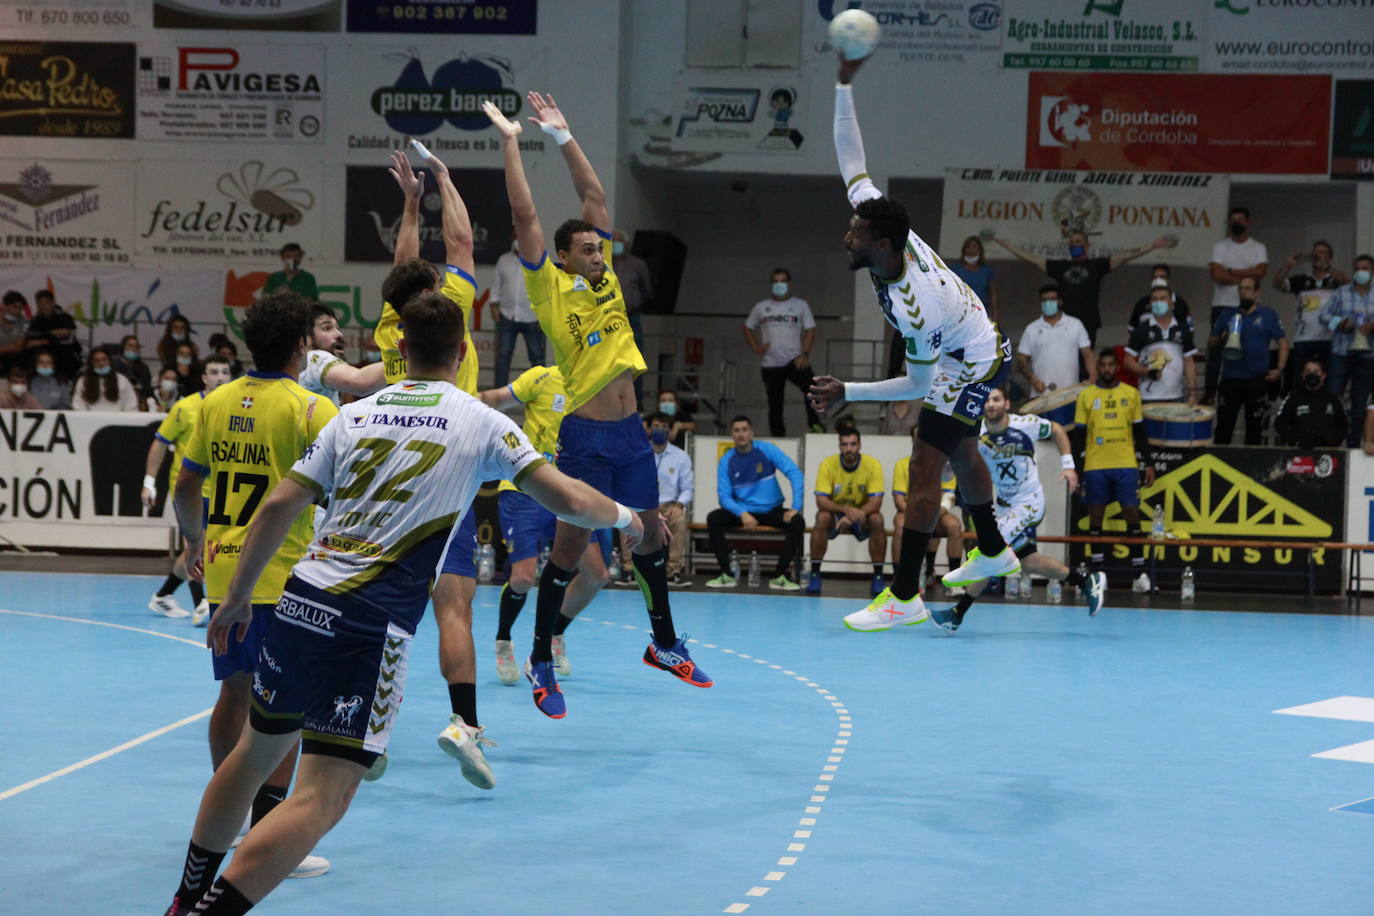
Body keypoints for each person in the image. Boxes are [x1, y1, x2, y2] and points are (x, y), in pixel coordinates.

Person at [161, 293, 644, 916]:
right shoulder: (479, 420)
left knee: (256, 751)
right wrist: (628, 517)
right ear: (464, 351)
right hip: (368, 621)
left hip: (300, 597)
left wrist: (231, 602)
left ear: (401, 352)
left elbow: (280, 505)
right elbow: (572, 504)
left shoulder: (354, 414)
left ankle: (185, 896)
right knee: (322, 798)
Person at [487, 91, 712, 716]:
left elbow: (595, 200)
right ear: (562, 257)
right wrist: (513, 142)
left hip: (631, 435)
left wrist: (563, 135)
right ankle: (538, 659)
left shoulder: (607, 277)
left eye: (598, 246)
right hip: (583, 438)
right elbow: (525, 214)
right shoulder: (549, 286)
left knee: (650, 539)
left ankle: (663, 643)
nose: (596, 251)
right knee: (566, 554)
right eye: (585, 248)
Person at [809, 52, 1020, 633]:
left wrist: (846, 388)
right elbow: (852, 159)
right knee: (960, 451)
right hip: (972, 335)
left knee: (924, 462)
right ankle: (996, 549)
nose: (846, 234)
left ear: (879, 246)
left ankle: (904, 594)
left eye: (855, 233)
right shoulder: (885, 231)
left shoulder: (912, 305)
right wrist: (843, 84)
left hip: (966, 357)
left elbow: (919, 383)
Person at [168, 294, 338, 905]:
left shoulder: (213, 402)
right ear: (301, 347)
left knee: (235, 692)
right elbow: (336, 496)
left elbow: (188, 483)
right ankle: (267, 836)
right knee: (285, 712)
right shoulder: (310, 407)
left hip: (221, 569)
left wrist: (193, 540)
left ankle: (230, 809)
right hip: (283, 574)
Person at [373, 145, 494, 756]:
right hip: (447, 473)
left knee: (385, 614)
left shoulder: (391, 328)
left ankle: (368, 730)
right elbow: (464, 245)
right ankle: (464, 725)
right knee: (454, 609)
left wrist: (410, 202)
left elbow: (404, 264)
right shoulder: (452, 320)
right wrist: (445, 181)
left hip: (385, 476)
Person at [479, 365, 614, 701]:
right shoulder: (541, 377)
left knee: (597, 574)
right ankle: (503, 640)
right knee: (523, 578)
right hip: (526, 488)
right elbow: (494, 398)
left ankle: (554, 635)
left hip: (570, 491)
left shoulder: (597, 384)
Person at [929, 387, 1106, 633]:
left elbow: (1056, 429)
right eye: (987, 400)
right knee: (1031, 562)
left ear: (1007, 404)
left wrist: (1068, 465)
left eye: (996, 399)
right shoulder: (976, 434)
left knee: (990, 552)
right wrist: (946, 464)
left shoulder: (1025, 425)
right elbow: (951, 469)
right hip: (1004, 507)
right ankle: (1087, 580)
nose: (991, 404)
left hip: (1029, 503)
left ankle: (957, 613)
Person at [141, 355, 234, 623]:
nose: (220, 376)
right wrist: (149, 483)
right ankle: (201, 602)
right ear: (204, 378)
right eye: (214, 372)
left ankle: (162, 596)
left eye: (225, 371)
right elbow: (160, 443)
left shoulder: (235, 407)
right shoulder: (185, 407)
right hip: (188, 489)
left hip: (219, 490)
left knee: (202, 547)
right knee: (197, 545)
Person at [1068, 349, 1155, 592]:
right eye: (1102, 365)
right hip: (1096, 465)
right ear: (1097, 367)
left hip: (1126, 464)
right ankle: (1098, 573)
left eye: (1110, 365)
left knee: (1132, 514)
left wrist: (1148, 463)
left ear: (1117, 367)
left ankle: (1139, 575)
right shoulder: (1086, 396)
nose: (1106, 369)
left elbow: (1139, 432)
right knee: (1095, 516)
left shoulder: (1131, 394)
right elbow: (1079, 437)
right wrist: (1074, 469)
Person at [994, 232, 1174, 346]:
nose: (1075, 245)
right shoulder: (1060, 267)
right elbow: (1032, 259)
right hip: (1063, 325)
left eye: (1079, 241)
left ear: (1087, 245)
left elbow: (1126, 256)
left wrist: (1152, 245)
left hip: (1088, 324)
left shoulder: (1097, 265)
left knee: (1085, 368)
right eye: (1072, 242)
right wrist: (1009, 246)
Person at [705, 415, 804, 590]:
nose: (741, 434)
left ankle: (779, 575)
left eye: (744, 430)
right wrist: (742, 514)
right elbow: (724, 497)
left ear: (751, 433)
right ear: (731, 435)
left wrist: (796, 507)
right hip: (744, 512)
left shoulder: (767, 450)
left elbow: (794, 473)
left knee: (798, 522)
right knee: (713, 518)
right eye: (737, 430)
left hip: (771, 510)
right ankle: (726, 574)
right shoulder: (726, 460)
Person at [806, 425, 887, 597]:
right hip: (836, 513)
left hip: (862, 514)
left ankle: (878, 576)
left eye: (852, 444)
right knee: (821, 517)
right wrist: (846, 511)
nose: (849, 449)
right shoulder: (828, 464)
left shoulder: (872, 465)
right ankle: (815, 573)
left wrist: (851, 517)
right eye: (844, 445)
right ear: (839, 446)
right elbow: (821, 501)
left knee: (878, 520)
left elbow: (875, 503)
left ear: (859, 445)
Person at [1209, 275, 1287, 446]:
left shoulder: (1268, 315)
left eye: (1247, 289)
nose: (1243, 292)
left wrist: (1279, 369)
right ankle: (1219, 467)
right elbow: (1211, 342)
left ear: (1257, 292)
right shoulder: (1228, 314)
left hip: (1257, 379)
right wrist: (1223, 337)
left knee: (1254, 428)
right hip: (1230, 378)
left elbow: (1282, 342)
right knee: (1224, 427)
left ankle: (1251, 468)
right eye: (1241, 289)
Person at [743, 267, 821, 436]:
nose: (779, 285)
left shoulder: (800, 305)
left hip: (795, 359)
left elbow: (810, 330)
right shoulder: (761, 307)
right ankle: (779, 438)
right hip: (771, 363)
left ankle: (815, 425)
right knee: (775, 403)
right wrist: (756, 347)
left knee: (812, 387)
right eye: (775, 281)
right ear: (771, 284)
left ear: (789, 283)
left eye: (782, 281)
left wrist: (805, 353)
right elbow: (747, 327)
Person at [1205, 206, 1269, 403]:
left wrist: (1231, 271)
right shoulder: (1220, 247)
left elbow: (1260, 274)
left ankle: (1250, 392)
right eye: (1234, 219)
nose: (1237, 223)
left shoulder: (1258, 248)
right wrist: (1245, 275)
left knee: (1248, 348)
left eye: (1241, 219)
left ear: (1248, 223)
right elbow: (1217, 275)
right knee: (1216, 351)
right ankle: (1209, 394)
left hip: (1249, 307)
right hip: (1222, 305)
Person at [890, 447, 965, 597]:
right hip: (910, 511)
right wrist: (918, 515)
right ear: (914, 441)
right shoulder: (902, 464)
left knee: (955, 525)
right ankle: (899, 581)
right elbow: (899, 501)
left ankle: (954, 582)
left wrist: (930, 515)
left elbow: (948, 499)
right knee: (899, 524)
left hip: (937, 513)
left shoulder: (946, 465)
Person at [1274, 241, 1345, 393]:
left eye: (1323, 252)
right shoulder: (1300, 280)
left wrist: (1327, 267)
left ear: (1330, 258)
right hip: (1303, 339)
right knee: (1300, 383)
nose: (1318, 255)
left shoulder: (1336, 279)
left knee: (1330, 383)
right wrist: (1289, 265)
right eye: (1316, 252)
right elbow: (1277, 283)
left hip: (1330, 339)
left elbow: (1348, 282)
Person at [1318, 254, 1374, 446]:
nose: (1361, 272)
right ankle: (1329, 444)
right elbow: (1323, 316)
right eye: (1357, 268)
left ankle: (1352, 447)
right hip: (1341, 354)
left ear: (1372, 271)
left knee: (1359, 406)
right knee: (1332, 399)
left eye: (1365, 268)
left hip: (1368, 356)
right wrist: (1340, 323)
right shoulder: (1341, 292)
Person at [296, 303, 386, 406]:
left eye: (337, 328)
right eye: (327, 328)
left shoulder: (299, 365)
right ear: (306, 338)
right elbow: (360, 382)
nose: (339, 334)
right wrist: (403, 360)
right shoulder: (315, 358)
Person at [1123, 283, 1198, 404]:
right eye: (1155, 299)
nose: (1158, 302)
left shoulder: (1183, 328)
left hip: (1176, 396)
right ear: (1150, 304)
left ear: (1172, 303)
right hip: (1148, 398)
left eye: (1163, 298)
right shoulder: (1141, 329)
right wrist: (1146, 372)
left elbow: (1189, 363)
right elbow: (1128, 362)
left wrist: (1192, 393)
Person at [1017, 283, 1096, 394]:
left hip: (1070, 393)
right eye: (1044, 300)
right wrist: (1032, 379)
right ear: (1040, 302)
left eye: (1052, 299)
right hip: (1041, 394)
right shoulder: (1031, 329)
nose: (1048, 303)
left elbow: (1088, 354)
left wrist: (1093, 379)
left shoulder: (1075, 324)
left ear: (1060, 301)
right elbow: (1021, 360)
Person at [490, 235, 546, 388]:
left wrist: (544, 314)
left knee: (537, 357)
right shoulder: (504, 260)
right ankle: (499, 392)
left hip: (532, 316)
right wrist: (493, 306)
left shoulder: (537, 261)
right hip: (508, 315)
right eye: (515, 237)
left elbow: (544, 289)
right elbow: (496, 286)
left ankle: (541, 391)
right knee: (503, 356)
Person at [647, 411, 693, 586]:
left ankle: (672, 571)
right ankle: (629, 569)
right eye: (656, 426)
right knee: (625, 517)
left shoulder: (681, 456)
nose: (660, 430)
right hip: (646, 504)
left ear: (670, 431)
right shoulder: (640, 453)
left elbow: (687, 488)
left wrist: (680, 504)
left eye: (664, 427)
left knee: (679, 519)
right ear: (649, 429)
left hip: (669, 505)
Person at [613, 229, 653, 401]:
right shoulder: (602, 263)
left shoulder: (638, 265)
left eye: (619, 240)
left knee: (635, 359)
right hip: (608, 319)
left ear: (626, 244)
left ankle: (636, 401)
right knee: (609, 360)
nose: (616, 243)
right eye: (613, 240)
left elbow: (646, 290)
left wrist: (633, 304)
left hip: (631, 317)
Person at [1275, 359, 1346, 448]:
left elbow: (1344, 426)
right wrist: (1293, 441)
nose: (1312, 374)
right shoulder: (1293, 398)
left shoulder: (1333, 398)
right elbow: (1279, 424)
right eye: (1308, 371)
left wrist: (1333, 441)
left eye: (1316, 371)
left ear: (1323, 375)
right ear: (1303, 375)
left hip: (1328, 453)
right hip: (1300, 452)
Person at [26, 289, 82, 379]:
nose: (44, 306)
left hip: (64, 353)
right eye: (40, 303)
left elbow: (65, 333)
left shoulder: (65, 317)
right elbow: (30, 340)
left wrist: (43, 338)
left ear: (53, 303)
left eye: (46, 302)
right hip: (43, 354)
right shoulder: (36, 320)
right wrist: (52, 335)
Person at [949, 235, 999, 324]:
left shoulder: (987, 271)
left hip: (982, 315)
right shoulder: (955, 270)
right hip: (960, 316)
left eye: (974, 247)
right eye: (968, 247)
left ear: (980, 251)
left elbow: (993, 295)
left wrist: (995, 317)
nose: (971, 250)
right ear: (964, 250)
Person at [72, 348, 139, 411]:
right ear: (91, 364)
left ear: (110, 361)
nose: (101, 364)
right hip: (91, 421)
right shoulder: (82, 381)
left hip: (118, 421)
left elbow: (131, 405)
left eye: (104, 360)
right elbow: (79, 407)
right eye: (96, 361)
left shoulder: (122, 380)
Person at [118, 333, 154, 403]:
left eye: (136, 347)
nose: (134, 349)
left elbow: (148, 389)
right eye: (130, 346)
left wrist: (137, 387)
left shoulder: (143, 367)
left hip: (138, 400)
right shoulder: (114, 364)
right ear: (123, 347)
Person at [0, 290, 30, 372]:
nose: (18, 311)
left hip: (14, 357)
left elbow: (18, 347)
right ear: (5, 306)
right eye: (15, 307)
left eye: (20, 308)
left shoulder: (25, 322)